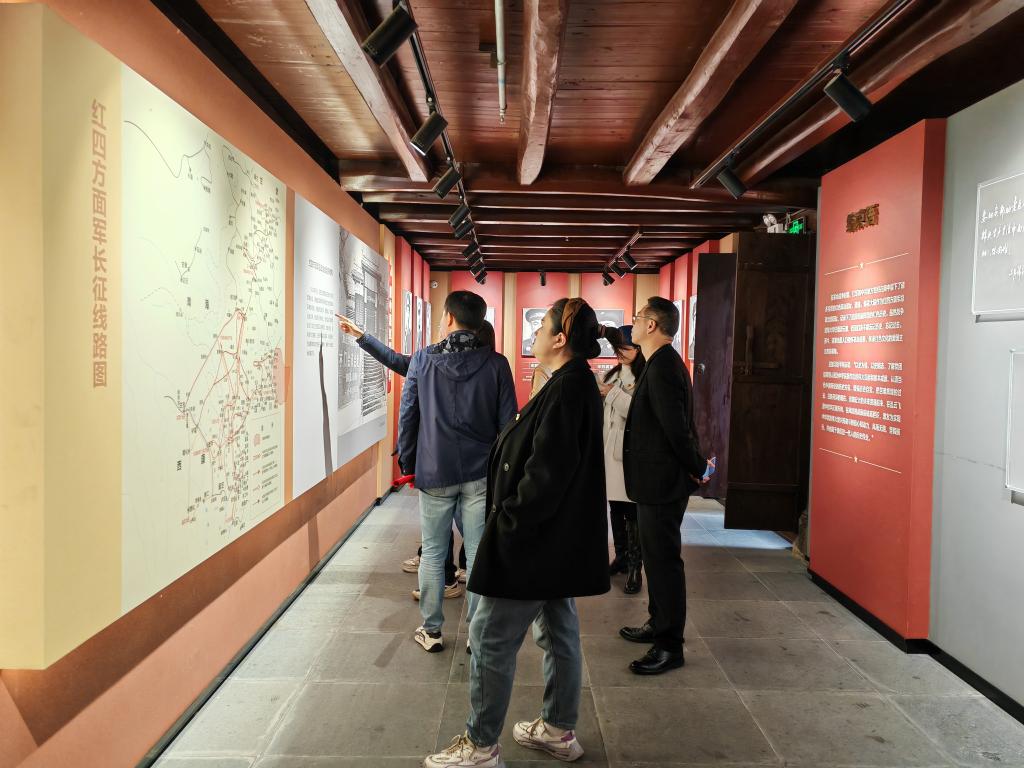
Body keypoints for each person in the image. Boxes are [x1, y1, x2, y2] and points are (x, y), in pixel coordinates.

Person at [425, 298, 609, 768]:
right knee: (558, 632)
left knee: (489, 635)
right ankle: (558, 730)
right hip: (555, 541)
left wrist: (505, 530)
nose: (534, 334)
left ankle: (480, 746)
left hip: (534, 542)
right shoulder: (570, 382)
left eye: (541, 327)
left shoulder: (568, 390)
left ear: (560, 338)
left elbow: (544, 479)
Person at [398, 294, 517, 653]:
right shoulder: (497, 363)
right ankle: (476, 634)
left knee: (434, 552)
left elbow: (409, 416)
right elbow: (508, 425)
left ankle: (431, 629)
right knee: (479, 552)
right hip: (481, 473)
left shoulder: (423, 360)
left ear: (449, 317)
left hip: (434, 469)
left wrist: (408, 464)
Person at [337, 313, 468, 597]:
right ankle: (459, 572)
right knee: (461, 525)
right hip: (471, 465)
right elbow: (398, 362)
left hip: (439, 462)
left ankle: (449, 577)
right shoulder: (484, 363)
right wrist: (363, 337)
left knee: (444, 525)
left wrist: (408, 461)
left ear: (450, 320)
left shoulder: (430, 360)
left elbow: (408, 410)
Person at [619, 297, 707, 675]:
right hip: (653, 481)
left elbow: (676, 429)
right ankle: (658, 622)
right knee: (656, 560)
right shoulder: (658, 363)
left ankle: (670, 645)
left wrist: (697, 467)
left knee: (664, 563)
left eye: (638, 318)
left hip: (661, 482)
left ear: (652, 325)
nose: (634, 323)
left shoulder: (664, 367)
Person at [597, 325, 645, 594]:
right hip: (608, 451)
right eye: (618, 348)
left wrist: (612, 394)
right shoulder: (612, 374)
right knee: (615, 508)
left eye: (626, 347)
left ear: (638, 349)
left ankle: (636, 566)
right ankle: (621, 558)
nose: (621, 353)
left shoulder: (645, 376)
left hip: (629, 454)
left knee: (632, 512)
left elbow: (639, 413)